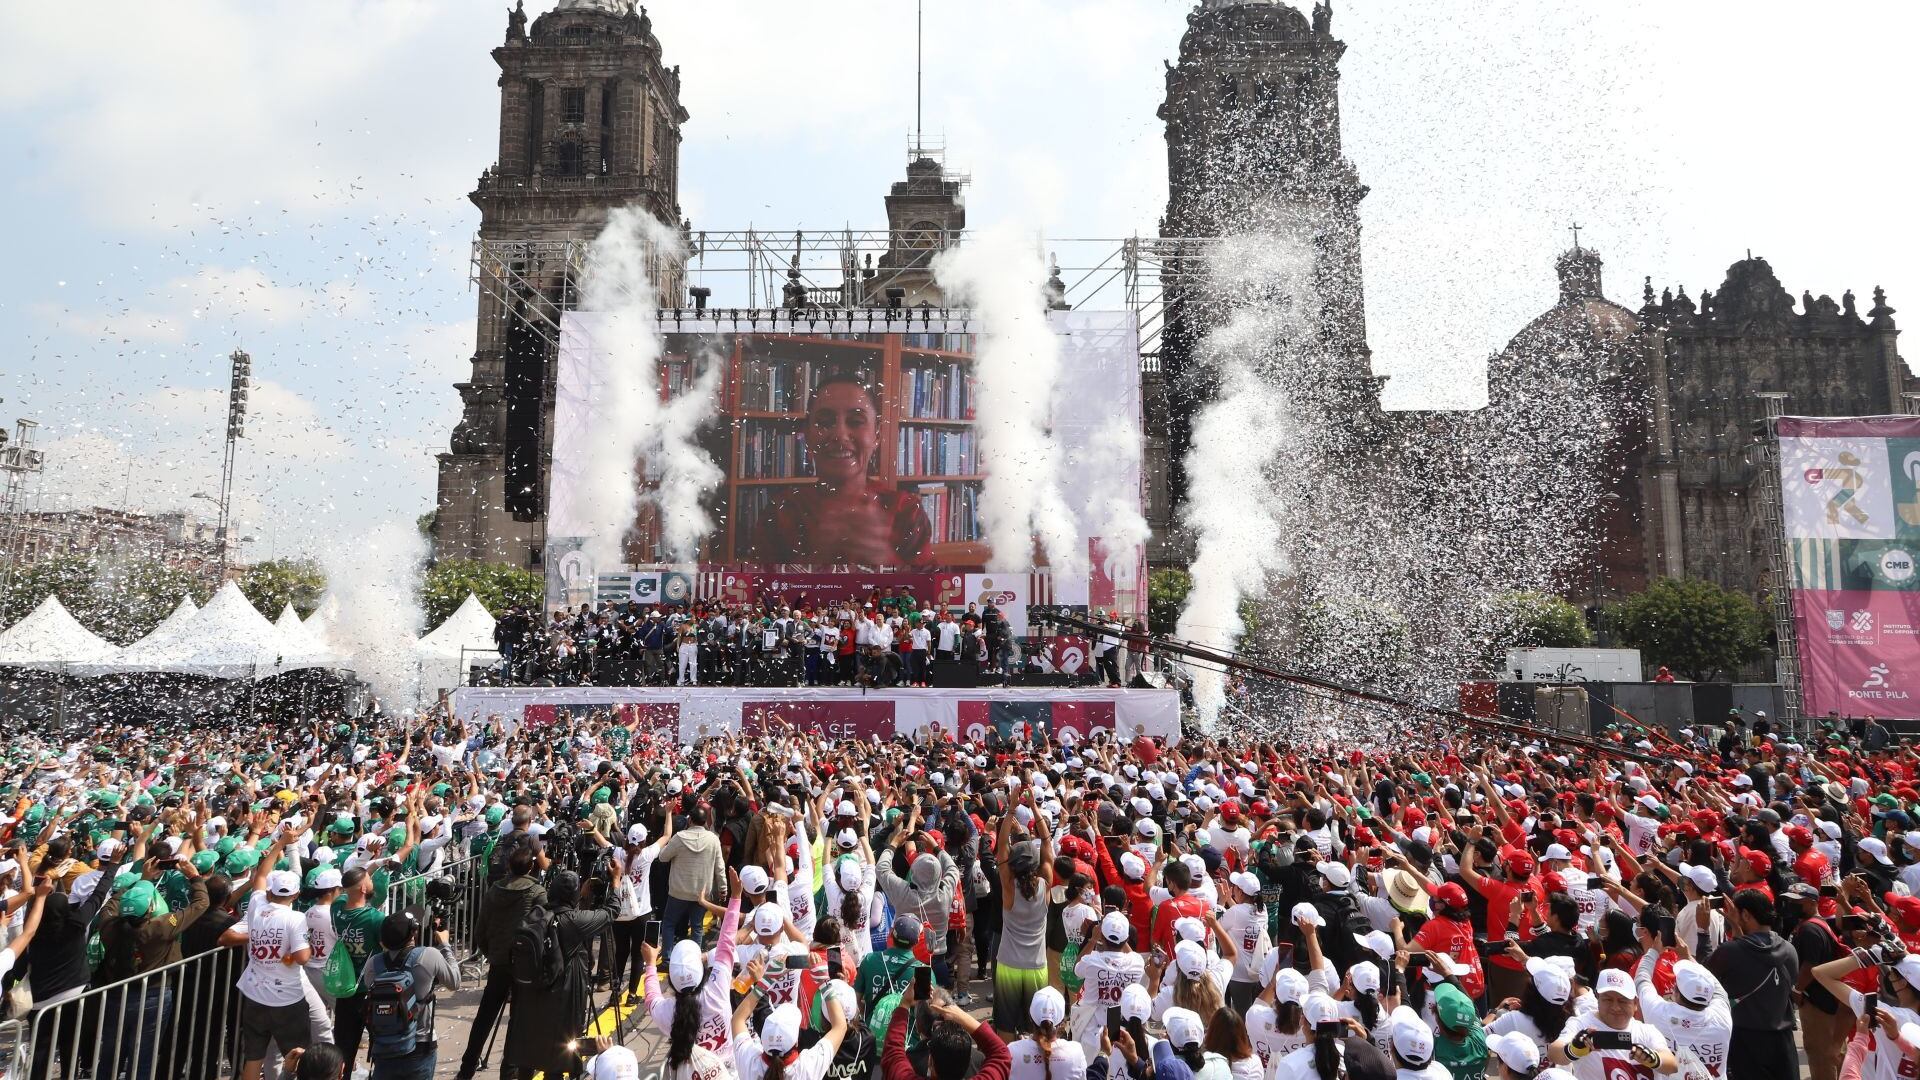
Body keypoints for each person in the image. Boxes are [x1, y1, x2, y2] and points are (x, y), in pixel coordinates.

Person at [748, 372, 934, 567]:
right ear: (807, 435)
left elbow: (933, 591)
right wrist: (817, 560)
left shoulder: (906, 511)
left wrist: (883, 560)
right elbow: (759, 592)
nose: (839, 434)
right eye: (825, 422)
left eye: (855, 421)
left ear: (876, 434)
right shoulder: (782, 513)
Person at [501, 869, 620, 1080]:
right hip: (560, 1004)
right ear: (573, 896)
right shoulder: (573, 920)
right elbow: (610, 912)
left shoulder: (536, 915)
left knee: (527, 1059)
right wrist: (616, 882)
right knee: (555, 1063)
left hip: (529, 1000)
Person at [457, 841, 544, 1080]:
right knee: (517, 1020)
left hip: (498, 962)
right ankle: (509, 1071)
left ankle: (466, 1069)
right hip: (522, 964)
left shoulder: (495, 890)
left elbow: (480, 930)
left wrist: (492, 953)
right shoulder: (537, 892)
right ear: (531, 868)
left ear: (509, 865)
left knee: (484, 1018)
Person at [220, 860, 314, 1080]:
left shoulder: (256, 906)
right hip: (287, 1001)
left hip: (255, 996)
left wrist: (280, 843)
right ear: (296, 895)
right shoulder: (296, 918)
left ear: (270, 891)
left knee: (253, 1058)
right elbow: (302, 958)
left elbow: (260, 875)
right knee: (299, 1057)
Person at [1704, 889, 1796, 1080]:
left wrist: (1702, 931)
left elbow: (1702, 976)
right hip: (1783, 1043)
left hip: (1745, 1042)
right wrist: (1738, 930)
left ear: (1746, 915)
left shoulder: (1730, 951)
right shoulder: (1789, 949)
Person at [359, 912, 461, 1079]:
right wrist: (445, 945)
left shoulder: (373, 964)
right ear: (413, 934)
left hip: (384, 1047)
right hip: (420, 1046)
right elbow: (454, 981)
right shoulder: (428, 955)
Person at [658, 798, 727, 956]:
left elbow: (663, 857)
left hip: (678, 892)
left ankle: (667, 958)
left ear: (689, 819)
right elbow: (720, 867)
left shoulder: (679, 837)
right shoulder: (713, 840)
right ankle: (695, 958)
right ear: (704, 821)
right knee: (697, 926)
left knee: (669, 924)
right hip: (701, 893)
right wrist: (723, 888)